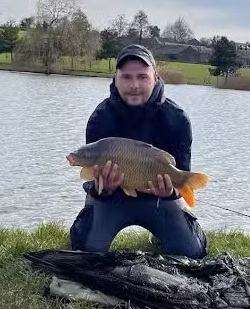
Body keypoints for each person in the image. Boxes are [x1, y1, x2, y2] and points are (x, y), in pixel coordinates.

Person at [68, 44, 208, 258]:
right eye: (126, 77)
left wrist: (170, 193)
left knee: (192, 253)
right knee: (85, 253)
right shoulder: (100, 118)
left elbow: (181, 172)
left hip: (159, 200)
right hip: (112, 200)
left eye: (142, 77)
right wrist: (104, 189)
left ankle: (168, 232)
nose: (134, 85)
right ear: (115, 79)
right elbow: (91, 181)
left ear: (156, 77)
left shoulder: (177, 119)